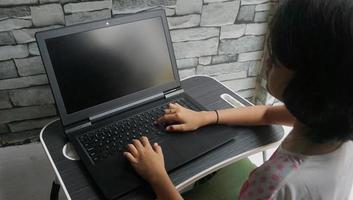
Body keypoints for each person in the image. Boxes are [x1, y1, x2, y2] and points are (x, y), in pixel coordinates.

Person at [123, 0, 353, 199]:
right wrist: (204, 117)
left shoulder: (274, 184)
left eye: (277, 58)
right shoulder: (333, 119)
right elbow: (266, 113)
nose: (267, 61)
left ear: (310, 83)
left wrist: (157, 177)